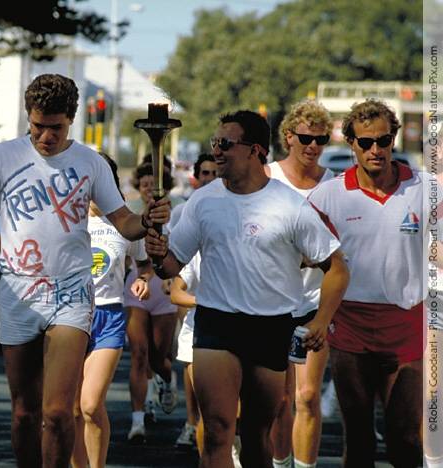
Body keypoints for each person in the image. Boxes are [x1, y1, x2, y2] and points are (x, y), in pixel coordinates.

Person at [0, 73, 169, 468]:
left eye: (56, 128)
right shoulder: (1, 157)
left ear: (72, 119)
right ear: (28, 118)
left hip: (72, 293)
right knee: (24, 413)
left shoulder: (90, 162)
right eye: (38, 127)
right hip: (17, 292)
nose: (46, 136)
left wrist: (147, 218)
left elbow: (123, 221)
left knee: (59, 412)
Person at [144, 110, 349, 468]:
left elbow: (336, 268)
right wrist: (159, 256)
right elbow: (173, 265)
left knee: (257, 437)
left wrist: (321, 320)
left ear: (255, 150)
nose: (217, 152)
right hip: (216, 323)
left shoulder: (289, 206)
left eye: (225, 144)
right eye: (215, 144)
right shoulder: (204, 201)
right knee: (220, 429)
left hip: (270, 327)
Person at [307, 99, 426, 468]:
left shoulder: (426, 188)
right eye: (365, 142)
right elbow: (301, 252)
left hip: (407, 323)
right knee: (358, 439)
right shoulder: (327, 196)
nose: (376, 150)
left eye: (384, 140)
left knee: (404, 438)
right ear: (351, 144)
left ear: (393, 141)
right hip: (351, 325)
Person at [71, 153, 153, 468]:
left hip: (109, 316)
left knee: (91, 405)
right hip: (71, 317)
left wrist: (143, 280)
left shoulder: (124, 223)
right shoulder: (67, 221)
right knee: (72, 409)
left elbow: (144, 264)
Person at [266, 100, 335, 468]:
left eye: (321, 139)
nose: (313, 146)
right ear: (289, 137)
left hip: (314, 300)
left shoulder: (333, 185)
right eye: (306, 137)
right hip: (273, 301)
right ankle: (281, 463)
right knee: (280, 399)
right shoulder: (266, 177)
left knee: (307, 395)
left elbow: (343, 246)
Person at [124, 160, 181, 443]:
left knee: (159, 357)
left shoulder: (178, 213)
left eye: (153, 186)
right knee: (138, 354)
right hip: (136, 289)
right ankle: (138, 419)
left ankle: (166, 378)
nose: (148, 191)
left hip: (165, 290)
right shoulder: (132, 214)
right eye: (144, 186)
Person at [170, 153, 217, 451]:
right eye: (206, 173)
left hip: (231, 327)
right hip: (195, 321)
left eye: (216, 173)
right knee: (199, 393)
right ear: (197, 177)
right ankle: (192, 423)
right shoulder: (185, 213)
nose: (211, 178)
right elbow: (176, 278)